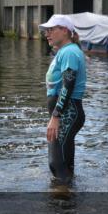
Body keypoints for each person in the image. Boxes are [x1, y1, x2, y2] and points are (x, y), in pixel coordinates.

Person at [39, 14, 87, 183]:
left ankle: (64, 203)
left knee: (57, 164)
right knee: (62, 166)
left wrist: (56, 116)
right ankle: (68, 202)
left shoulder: (70, 52)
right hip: (64, 114)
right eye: (46, 30)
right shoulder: (64, 52)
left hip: (68, 113)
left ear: (65, 30)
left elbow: (69, 84)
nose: (47, 34)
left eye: (51, 29)